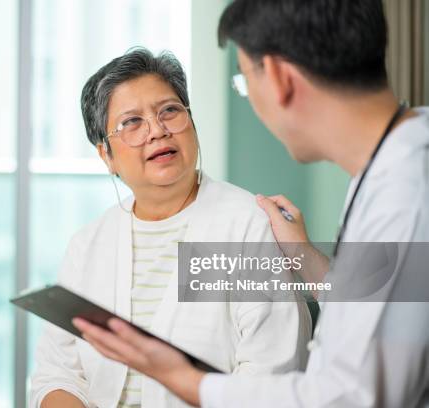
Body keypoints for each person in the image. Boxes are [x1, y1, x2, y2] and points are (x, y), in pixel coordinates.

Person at [73, 1, 429, 407]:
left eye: (244, 83)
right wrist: (307, 259)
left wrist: (182, 379)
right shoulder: (388, 175)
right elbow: (384, 313)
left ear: (278, 77)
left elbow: (352, 396)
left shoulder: (406, 194)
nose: (157, 132)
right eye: (132, 122)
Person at [31, 48, 312, 408]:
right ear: (106, 156)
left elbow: (271, 377)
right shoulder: (87, 244)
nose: (158, 131)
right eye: (132, 122)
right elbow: (58, 373)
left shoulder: (251, 226)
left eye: (170, 111)